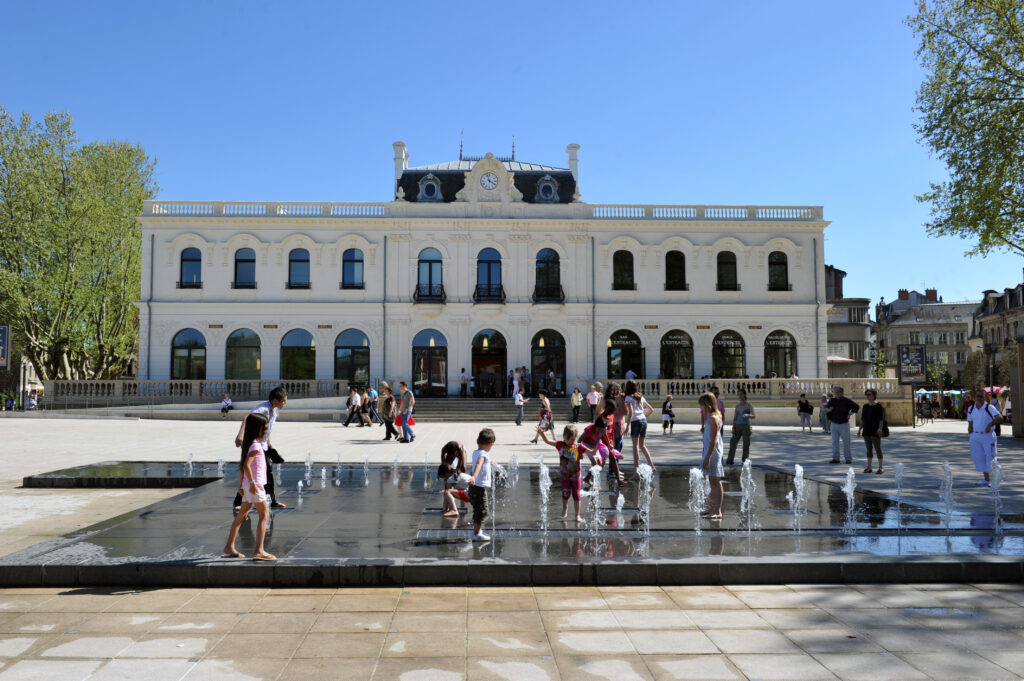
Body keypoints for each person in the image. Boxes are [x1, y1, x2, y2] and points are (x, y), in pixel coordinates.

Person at [223, 413, 276, 561]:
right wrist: (252, 484)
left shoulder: (251, 444)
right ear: (257, 429)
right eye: (264, 427)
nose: (266, 430)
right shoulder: (255, 445)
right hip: (255, 485)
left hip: (250, 485)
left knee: (242, 515)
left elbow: (242, 467)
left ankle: (229, 547)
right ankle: (259, 550)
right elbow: (246, 466)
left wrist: (242, 485)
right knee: (264, 514)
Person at [233, 386, 287, 511]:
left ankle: (271, 500)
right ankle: (239, 500)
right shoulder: (262, 409)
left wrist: (269, 442)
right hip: (253, 443)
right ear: (275, 400)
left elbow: (268, 427)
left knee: (268, 471)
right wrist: (240, 435)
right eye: (283, 401)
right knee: (248, 469)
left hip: (262, 444)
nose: (285, 403)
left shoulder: (275, 410)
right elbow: (247, 418)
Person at [538, 424, 583, 523]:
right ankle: (565, 508)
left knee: (577, 494)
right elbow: (548, 441)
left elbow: (589, 451)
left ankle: (577, 515)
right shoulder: (560, 445)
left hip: (576, 476)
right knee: (565, 493)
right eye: (570, 439)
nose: (572, 442)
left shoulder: (578, 447)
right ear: (564, 437)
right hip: (565, 476)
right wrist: (542, 434)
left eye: (574, 439)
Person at [578, 413, 626, 486]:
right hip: (587, 445)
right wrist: (580, 453)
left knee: (606, 461)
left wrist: (609, 443)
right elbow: (580, 440)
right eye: (599, 429)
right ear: (595, 426)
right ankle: (592, 480)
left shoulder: (603, 429)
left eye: (602, 430)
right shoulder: (589, 429)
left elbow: (605, 434)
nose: (600, 431)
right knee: (594, 462)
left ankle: (588, 478)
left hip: (597, 443)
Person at [967, 388, 1002, 486]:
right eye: (977, 396)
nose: (979, 398)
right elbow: (970, 422)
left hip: (987, 436)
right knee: (979, 458)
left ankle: (994, 479)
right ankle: (986, 479)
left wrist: (990, 424)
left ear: (985, 397)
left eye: (981, 396)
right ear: (975, 397)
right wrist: (970, 433)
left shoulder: (989, 407)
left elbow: (999, 418)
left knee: (990, 457)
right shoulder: (971, 408)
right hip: (975, 436)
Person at [698, 392, 725, 520]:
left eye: (702, 406)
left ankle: (717, 510)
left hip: (713, 453)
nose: (701, 409)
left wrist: (708, 457)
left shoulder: (714, 418)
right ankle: (711, 508)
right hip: (710, 451)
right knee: (712, 481)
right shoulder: (714, 416)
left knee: (716, 481)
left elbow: (714, 439)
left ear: (707, 405)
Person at [468, 428, 495, 541]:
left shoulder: (476, 452)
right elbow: (479, 464)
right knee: (483, 511)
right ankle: (477, 533)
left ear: (477, 441)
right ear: (490, 444)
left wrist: (492, 463)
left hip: (474, 487)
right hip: (479, 487)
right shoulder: (483, 454)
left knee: (477, 509)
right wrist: (474, 477)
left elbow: (481, 462)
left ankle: (477, 530)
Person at [624, 380, 655, 472]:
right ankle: (652, 466)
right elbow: (651, 409)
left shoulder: (628, 398)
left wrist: (627, 426)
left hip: (635, 422)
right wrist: (643, 417)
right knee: (642, 445)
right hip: (643, 421)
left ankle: (637, 472)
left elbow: (631, 412)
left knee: (635, 447)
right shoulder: (640, 397)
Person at [826, 386, 859, 464]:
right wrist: (829, 410)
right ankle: (836, 458)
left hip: (844, 424)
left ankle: (848, 458)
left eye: (838, 392)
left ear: (842, 393)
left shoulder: (846, 401)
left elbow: (856, 407)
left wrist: (850, 414)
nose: (836, 394)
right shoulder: (832, 400)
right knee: (834, 442)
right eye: (835, 392)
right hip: (834, 423)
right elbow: (827, 409)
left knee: (846, 442)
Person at [725, 389, 755, 466]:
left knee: (746, 444)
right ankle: (730, 460)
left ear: (745, 395)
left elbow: (754, 416)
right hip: (737, 426)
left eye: (741, 394)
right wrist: (733, 427)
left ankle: (744, 460)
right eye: (738, 395)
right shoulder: (737, 406)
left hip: (745, 426)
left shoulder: (748, 405)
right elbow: (735, 418)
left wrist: (748, 415)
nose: (740, 396)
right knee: (733, 443)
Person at [858, 389, 885, 474]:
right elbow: (862, 419)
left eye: (869, 394)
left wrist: (880, 429)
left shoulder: (878, 406)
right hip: (866, 430)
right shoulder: (865, 406)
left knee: (877, 448)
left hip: (875, 430)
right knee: (868, 449)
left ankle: (880, 468)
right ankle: (869, 467)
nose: (868, 396)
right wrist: (859, 429)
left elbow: (881, 419)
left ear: (874, 395)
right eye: (867, 395)